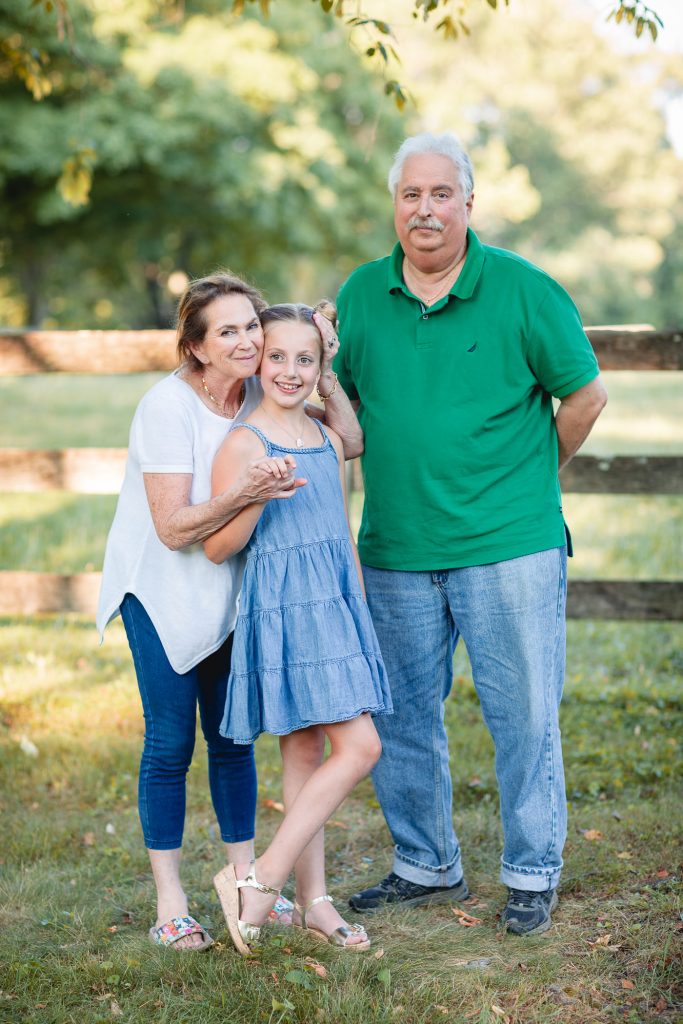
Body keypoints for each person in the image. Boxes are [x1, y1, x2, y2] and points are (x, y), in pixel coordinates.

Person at [335, 132, 608, 936]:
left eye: (440, 194)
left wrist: (528, 479)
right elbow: (345, 412)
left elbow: (585, 397)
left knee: (522, 714)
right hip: (393, 549)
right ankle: (425, 863)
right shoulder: (358, 295)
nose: (424, 209)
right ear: (396, 204)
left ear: (466, 203)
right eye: (410, 195)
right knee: (400, 718)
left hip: (508, 546)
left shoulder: (523, 289)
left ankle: (530, 870)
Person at [96, 272, 363, 951]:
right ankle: (170, 902)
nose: (247, 341)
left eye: (252, 326)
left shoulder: (257, 388)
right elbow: (173, 529)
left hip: (233, 591)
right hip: (160, 589)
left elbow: (340, 441)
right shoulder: (167, 406)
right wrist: (246, 492)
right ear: (195, 347)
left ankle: (247, 879)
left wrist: (321, 360)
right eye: (228, 332)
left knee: (232, 740)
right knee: (169, 743)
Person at [204, 301, 392, 956]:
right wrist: (254, 493)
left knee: (306, 754)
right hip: (286, 609)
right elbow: (217, 547)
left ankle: (314, 904)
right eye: (276, 356)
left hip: (334, 604)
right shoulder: (244, 442)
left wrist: (329, 376)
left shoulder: (319, 428)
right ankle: (258, 882)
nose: (289, 370)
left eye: (304, 359)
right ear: (256, 358)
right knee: (361, 747)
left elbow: (354, 445)